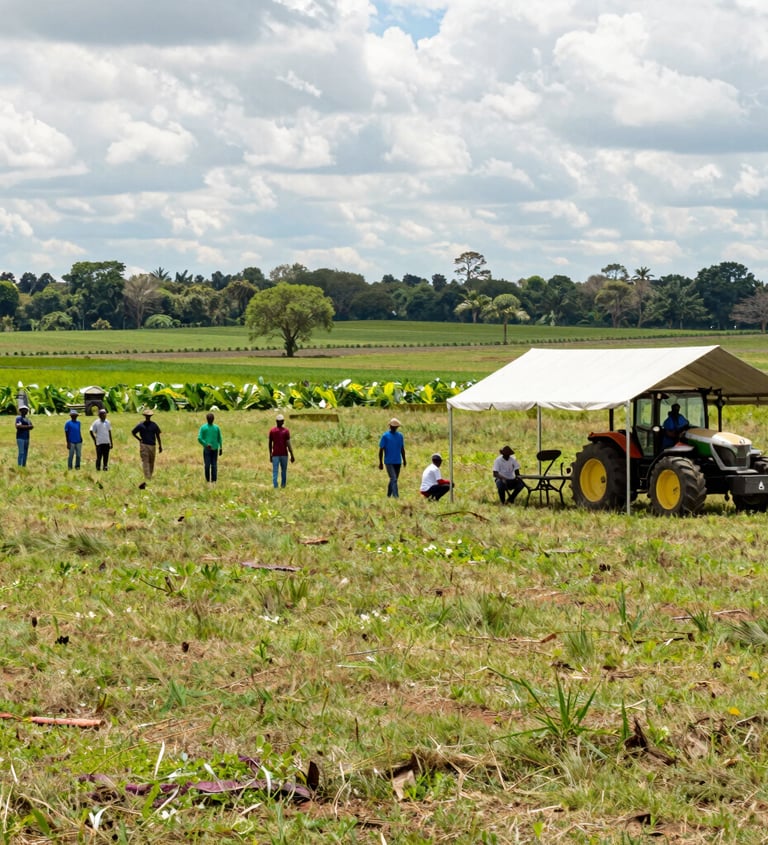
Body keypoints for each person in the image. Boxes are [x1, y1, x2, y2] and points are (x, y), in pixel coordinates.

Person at [132, 409, 163, 485]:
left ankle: (150, 476)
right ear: (145, 416)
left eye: (149, 416)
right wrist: (139, 439)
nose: (148, 418)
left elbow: (158, 435)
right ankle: (147, 477)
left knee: (151, 461)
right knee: (145, 461)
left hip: (152, 445)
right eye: (147, 416)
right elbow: (133, 432)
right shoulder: (141, 425)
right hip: (144, 445)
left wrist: (160, 445)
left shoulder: (154, 425)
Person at [378, 417, 406, 498]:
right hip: (389, 462)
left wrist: (404, 460)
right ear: (390, 426)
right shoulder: (385, 436)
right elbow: (381, 450)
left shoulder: (400, 436)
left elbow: (402, 449)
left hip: (398, 461)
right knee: (394, 479)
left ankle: (388, 495)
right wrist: (380, 462)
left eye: (396, 427)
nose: (394, 428)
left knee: (393, 479)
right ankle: (396, 496)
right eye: (393, 426)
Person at [268, 413, 294, 488]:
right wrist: (292, 455)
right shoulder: (285, 431)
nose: (280, 422)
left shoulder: (273, 430)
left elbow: (270, 444)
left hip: (278, 454)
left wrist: (270, 454)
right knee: (282, 471)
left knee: (277, 471)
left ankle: (278, 486)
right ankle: (281, 485)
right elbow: (288, 444)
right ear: (283, 421)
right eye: (280, 421)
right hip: (281, 454)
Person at [198, 412, 223, 483]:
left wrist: (220, 447)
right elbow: (199, 438)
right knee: (210, 465)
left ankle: (211, 480)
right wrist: (206, 444)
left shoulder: (213, 428)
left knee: (211, 465)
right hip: (210, 449)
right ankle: (210, 480)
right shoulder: (207, 427)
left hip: (211, 449)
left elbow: (219, 438)